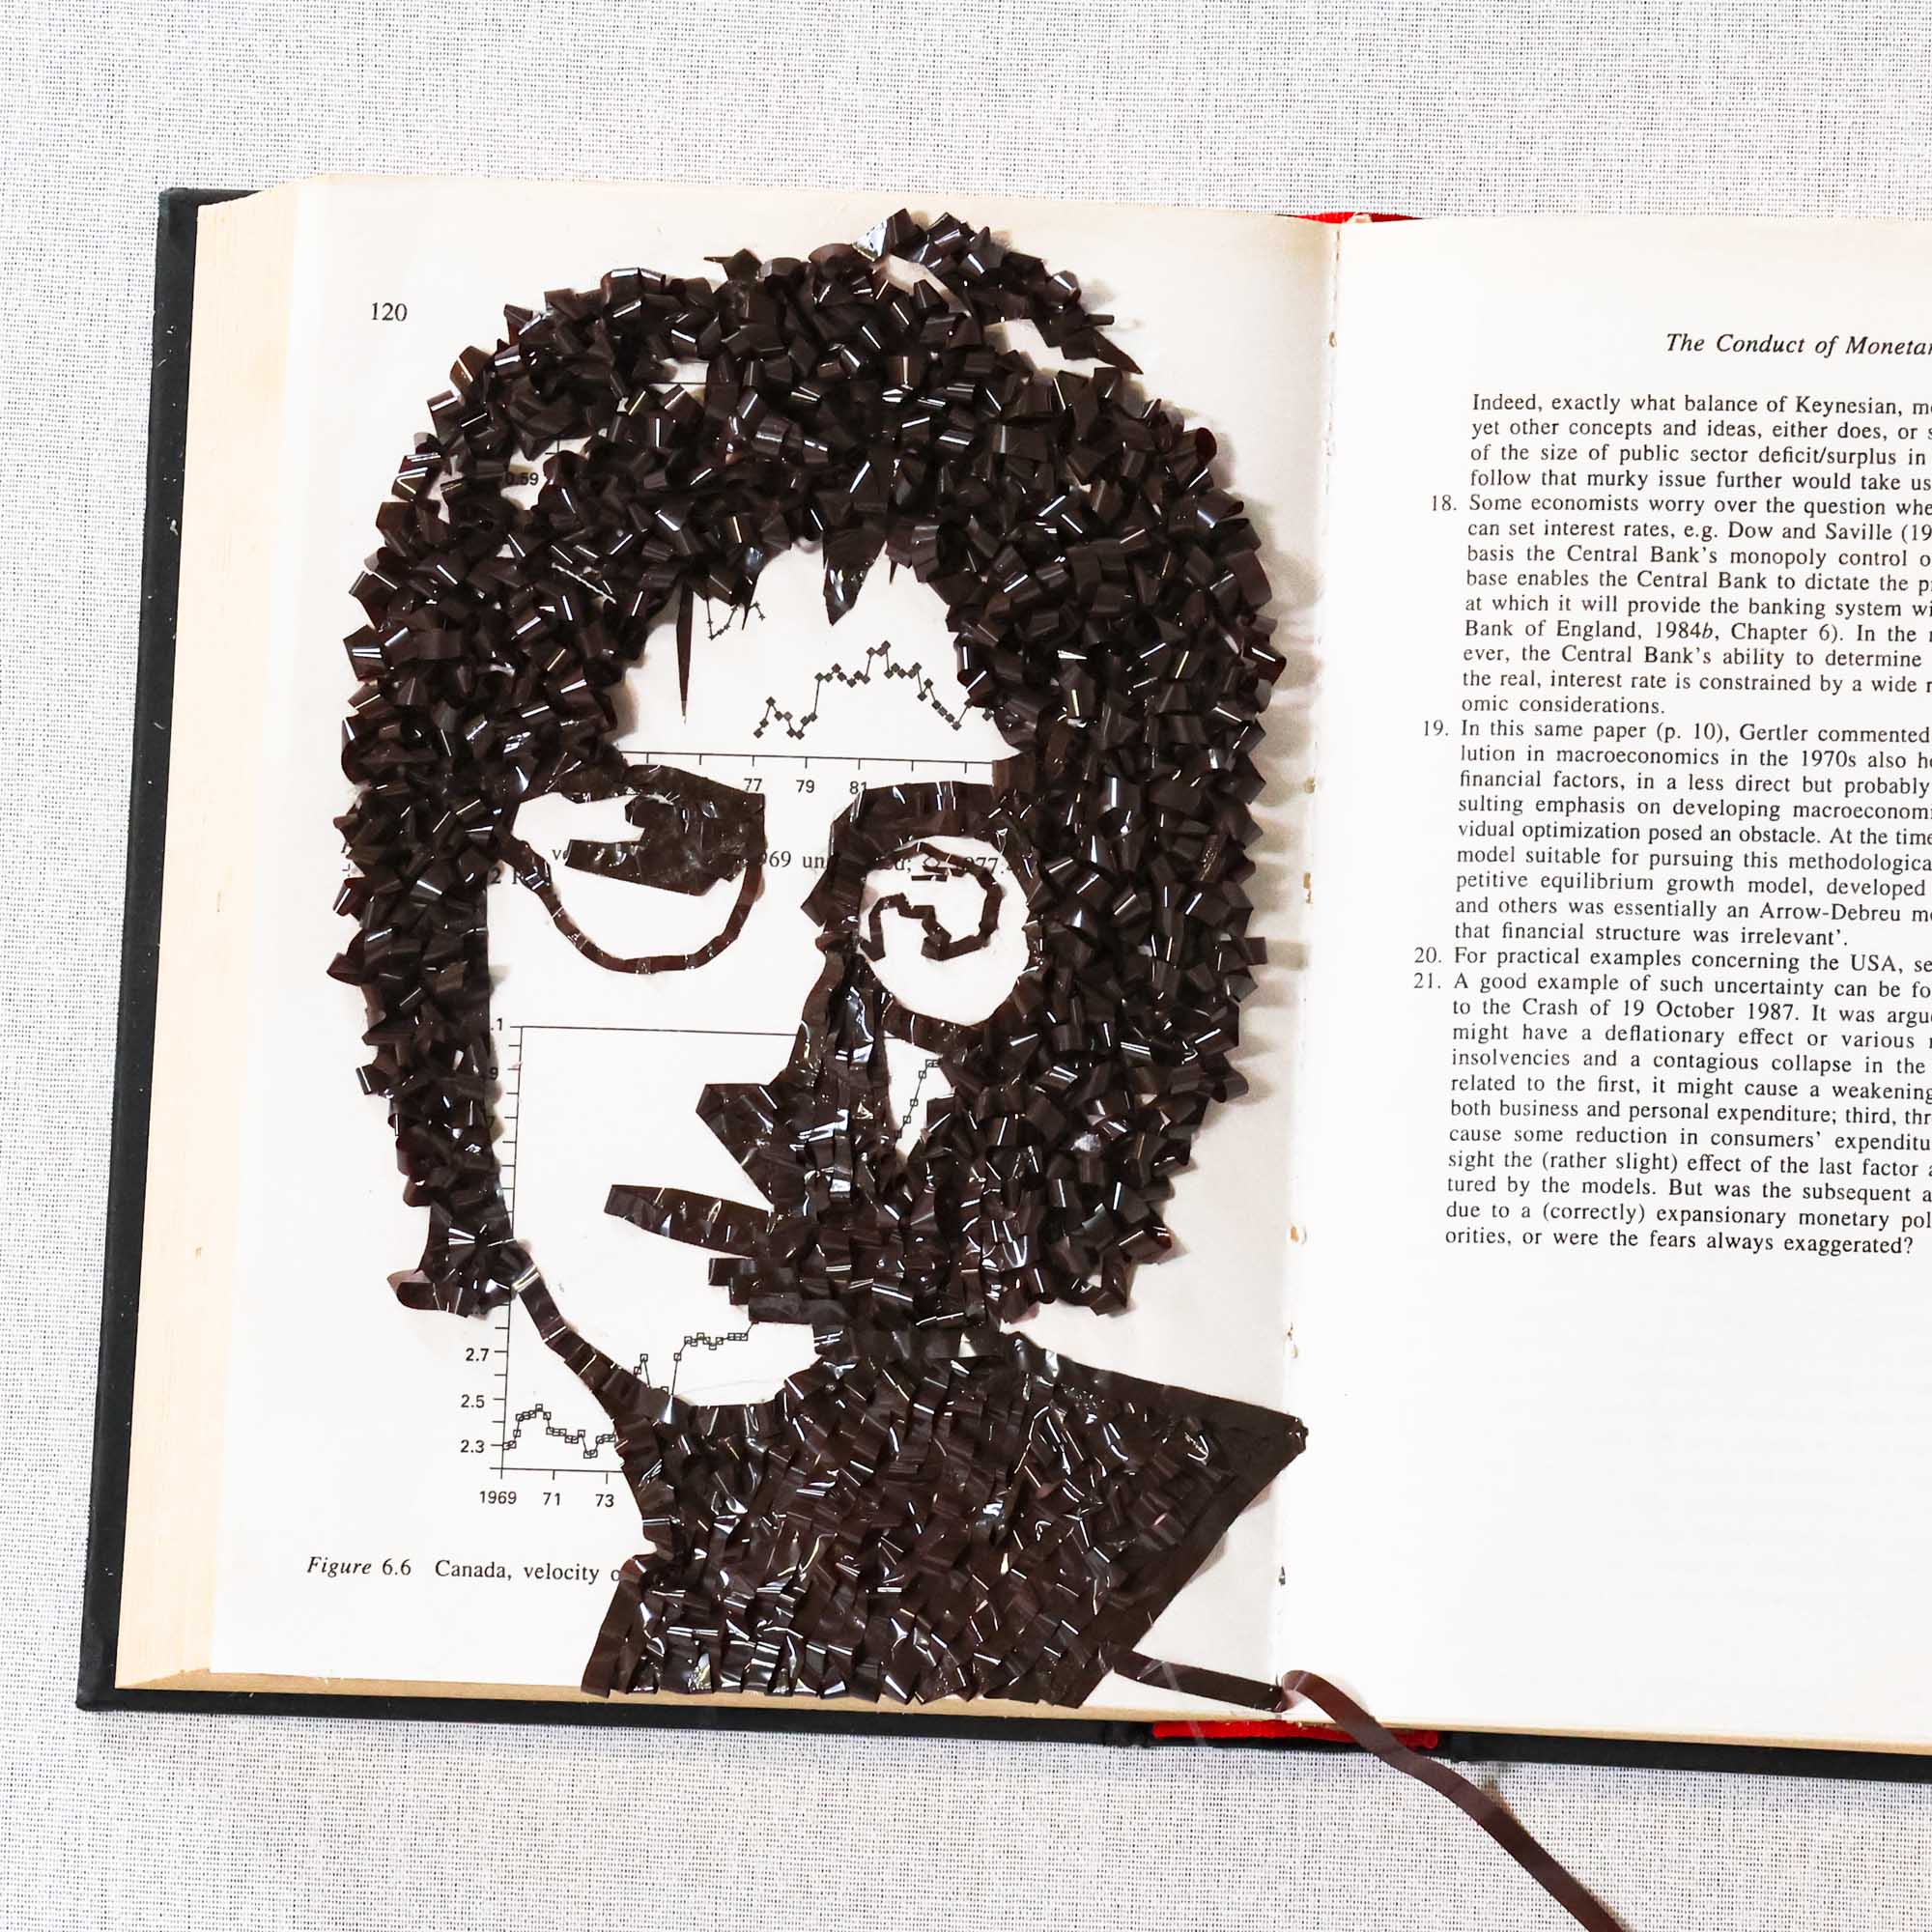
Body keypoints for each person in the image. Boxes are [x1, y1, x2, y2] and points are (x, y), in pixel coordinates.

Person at [333, 211, 1304, 1706]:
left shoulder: (1123, 1622)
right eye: (648, 860)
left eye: (941, 900)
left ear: (1102, 993)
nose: (782, 1062)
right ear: (441, 934)